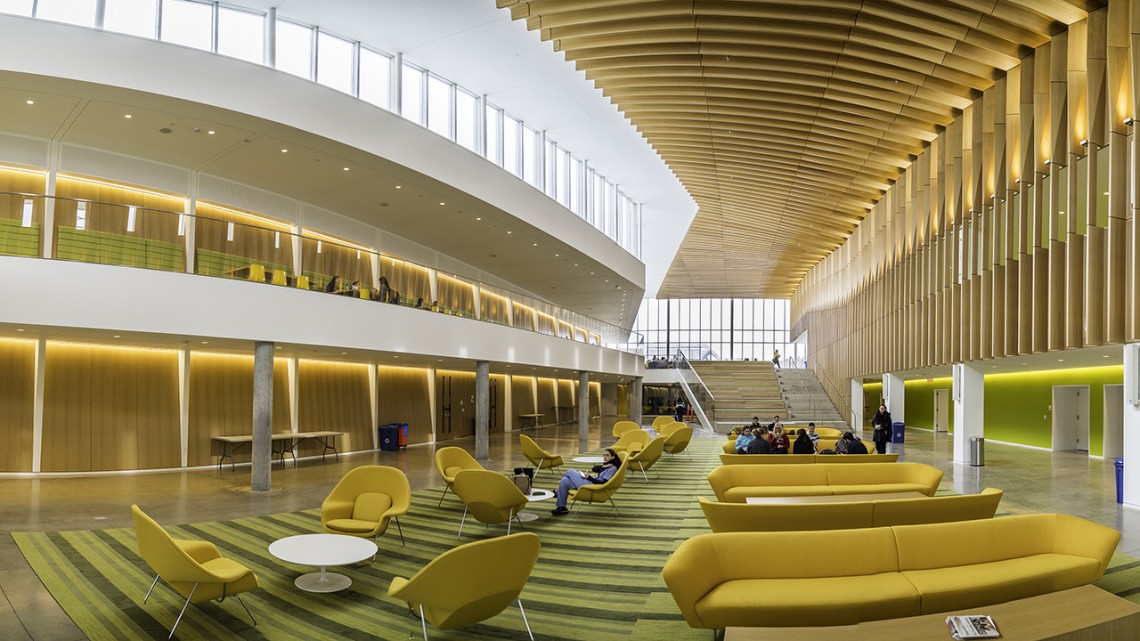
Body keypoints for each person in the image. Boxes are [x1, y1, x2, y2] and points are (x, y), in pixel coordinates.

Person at [551, 448, 621, 515]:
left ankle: (558, 492)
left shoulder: (613, 468)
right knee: (564, 480)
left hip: (592, 486)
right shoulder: (608, 465)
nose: (605, 457)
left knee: (570, 471)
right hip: (591, 482)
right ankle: (561, 507)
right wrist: (603, 467)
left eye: (607, 455)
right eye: (604, 455)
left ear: (613, 457)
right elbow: (594, 468)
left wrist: (590, 477)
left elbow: (604, 482)